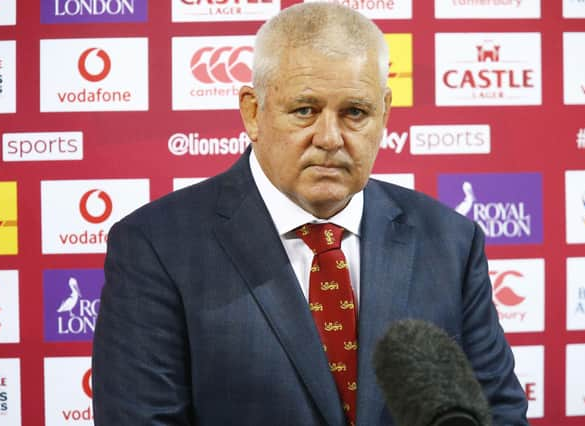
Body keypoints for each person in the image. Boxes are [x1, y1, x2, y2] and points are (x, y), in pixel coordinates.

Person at [92, 3, 528, 425]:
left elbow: (497, 413)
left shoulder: (450, 241)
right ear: (252, 112)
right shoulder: (157, 246)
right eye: (305, 110)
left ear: (385, 115)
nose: (330, 138)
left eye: (354, 112)